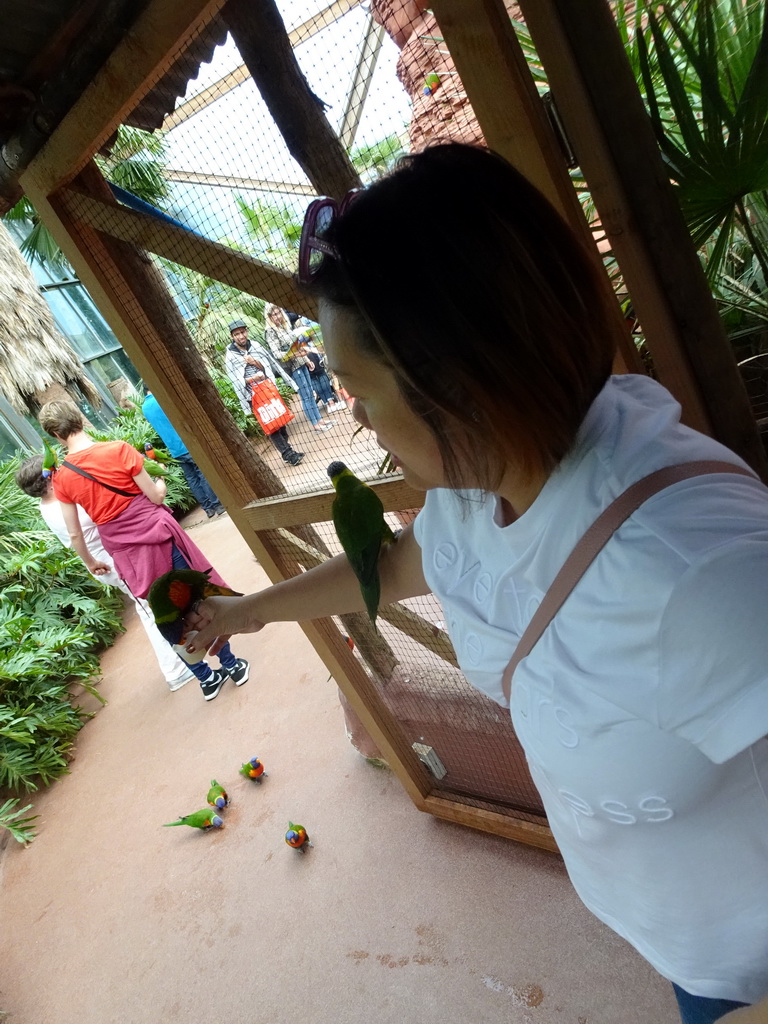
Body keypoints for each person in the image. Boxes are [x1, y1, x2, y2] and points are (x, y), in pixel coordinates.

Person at [186, 144, 768, 1023]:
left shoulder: (698, 574)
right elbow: (401, 564)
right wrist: (249, 611)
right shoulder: (483, 481)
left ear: (457, 388)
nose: (350, 412)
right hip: (685, 938)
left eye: (356, 387)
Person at [38, 400, 249, 702]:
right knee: (194, 598)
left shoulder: (63, 478)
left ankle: (205, 678)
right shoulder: (118, 450)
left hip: (126, 552)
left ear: (55, 436)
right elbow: (154, 496)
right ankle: (231, 664)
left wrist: (91, 562)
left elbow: (74, 533)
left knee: (163, 613)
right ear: (80, 420)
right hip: (159, 535)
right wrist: (161, 486)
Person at [15, 455, 195, 692]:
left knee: (152, 606)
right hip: (108, 560)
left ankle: (183, 655)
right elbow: (94, 519)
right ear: (47, 481)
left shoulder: (47, 506)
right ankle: (176, 671)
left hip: (106, 560)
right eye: (53, 470)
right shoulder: (62, 505)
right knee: (150, 611)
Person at [224, 319, 305, 466]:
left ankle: (286, 450)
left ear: (246, 331)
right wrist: (252, 379)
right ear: (232, 336)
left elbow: (268, 365)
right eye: (236, 334)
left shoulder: (255, 345)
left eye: (242, 332)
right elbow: (235, 379)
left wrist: (254, 362)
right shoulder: (230, 355)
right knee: (271, 425)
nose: (241, 336)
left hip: (268, 389)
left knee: (281, 422)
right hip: (253, 396)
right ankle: (288, 454)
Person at [141, 391, 226, 518]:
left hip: (174, 449)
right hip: (187, 443)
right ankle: (217, 505)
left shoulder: (144, 408)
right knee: (202, 473)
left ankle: (208, 509)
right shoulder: (162, 399)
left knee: (191, 478)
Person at [264, 303, 334, 431]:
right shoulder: (270, 332)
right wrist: (294, 354)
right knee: (305, 395)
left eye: (279, 312)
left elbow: (296, 346)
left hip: (301, 363)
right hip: (292, 368)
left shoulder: (284, 327)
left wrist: (307, 360)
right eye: (274, 314)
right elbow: (276, 353)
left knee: (310, 393)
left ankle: (320, 420)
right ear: (269, 317)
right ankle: (315, 424)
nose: (278, 316)